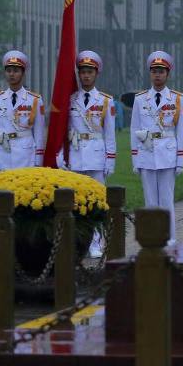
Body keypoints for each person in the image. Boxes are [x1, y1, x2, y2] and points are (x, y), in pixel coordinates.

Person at [131, 51, 183, 245]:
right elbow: (134, 130)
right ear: (150, 73)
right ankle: (151, 239)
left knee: (166, 200)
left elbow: (181, 132)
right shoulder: (140, 99)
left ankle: (170, 238)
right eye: (154, 71)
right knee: (150, 201)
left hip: (168, 153)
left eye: (161, 71)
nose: (157, 75)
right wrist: (135, 158)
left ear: (168, 74)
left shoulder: (178, 99)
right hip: (146, 153)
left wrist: (180, 160)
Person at [67, 50, 117, 257]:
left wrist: (110, 160)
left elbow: (110, 133)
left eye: (90, 72)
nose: (86, 75)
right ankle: (79, 242)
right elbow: (64, 130)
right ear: (78, 74)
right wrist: (63, 157)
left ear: (96, 74)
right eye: (83, 72)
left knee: (97, 201)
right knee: (77, 201)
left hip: (97, 155)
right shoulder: (70, 99)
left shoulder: (105, 100)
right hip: (76, 154)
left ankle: (96, 243)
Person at [0, 50, 46, 173]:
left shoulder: (35, 100)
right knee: (3, 191)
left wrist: (38, 161)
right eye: (8, 71)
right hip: (3, 154)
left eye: (16, 71)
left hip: (26, 155)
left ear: (23, 73)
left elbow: (39, 133)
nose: (11, 74)